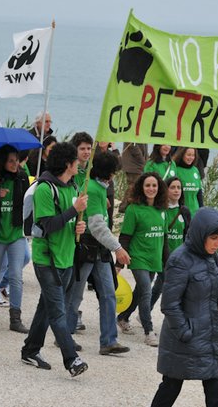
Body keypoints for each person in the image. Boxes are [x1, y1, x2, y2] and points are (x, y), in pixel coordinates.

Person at [20, 142, 89, 377]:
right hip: (47, 259)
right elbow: (47, 224)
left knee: (46, 307)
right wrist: (73, 211)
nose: (80, 164)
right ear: (68, 163)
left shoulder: (73, 187)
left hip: (66, 259)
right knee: (58, 312)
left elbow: (67, 224)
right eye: (77, 161)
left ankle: (30, 350)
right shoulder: (44, 189)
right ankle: (72, 360)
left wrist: (78, 226)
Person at [151, 208, 218, 407]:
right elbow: (169, 304)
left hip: (212, 336)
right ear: (200, 234)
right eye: (213, 238)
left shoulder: (213, 257)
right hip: (185, 340)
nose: (217, 243)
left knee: (217, 396)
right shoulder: (179, 259)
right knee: (170, 388)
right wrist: (186, 332)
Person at [66, 151, 131, 355]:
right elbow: (97, 226)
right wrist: (118, 248)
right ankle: (65, 337)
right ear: (109, 173)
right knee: (75, 294)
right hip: (87, 248)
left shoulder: (98, 188)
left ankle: (109, 341)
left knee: (109, 294)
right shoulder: (93, 189)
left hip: (100, 250)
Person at [116, 172, 168, 346]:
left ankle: (123, 317)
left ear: (159, 188)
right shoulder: (133, 209)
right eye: (147, 185)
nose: (151, 188)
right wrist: (119, 263)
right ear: (141, 187)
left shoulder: (162, 210)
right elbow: (124, 237)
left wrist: (167, 263)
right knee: (146, 291)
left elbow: (164, 239)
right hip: (138, 258)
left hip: (155, 259)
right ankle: (149, 331)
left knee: (139, 292)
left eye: (154, 185)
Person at [0, 145, 31, 332]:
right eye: (10, 161)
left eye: (16, 160)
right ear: (3, 161)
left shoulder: (22, 177)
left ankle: (15, 318)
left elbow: (29, 203)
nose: (14, 164)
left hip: (16, 234)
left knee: (16, 276)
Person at [150, 176, 191, 309]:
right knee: (170, 286)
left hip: (178, 257)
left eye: (179, 187)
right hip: (161, 256)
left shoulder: (184, 211)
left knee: (159, 286)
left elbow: (188, 234)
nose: (176, 190)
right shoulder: (160, 210)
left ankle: (143, 312)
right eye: (172, 187)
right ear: (165, 190)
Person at [173, 146, 203, 216]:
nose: (191, 158)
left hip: (195, 213)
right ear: (182, 154)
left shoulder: (195, 170)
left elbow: (199, 194)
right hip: (180, 213)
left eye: (193, 155)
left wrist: (202, 210)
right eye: (188, 155)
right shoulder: (175, 170)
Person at [118, 142, 147, 213]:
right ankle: (124, 206)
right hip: (134, 164)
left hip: (137, 164)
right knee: (133, 186)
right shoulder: (132, 131)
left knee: (133, 186)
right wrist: (142, 159)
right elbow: (132, 145)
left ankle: (126, 205)